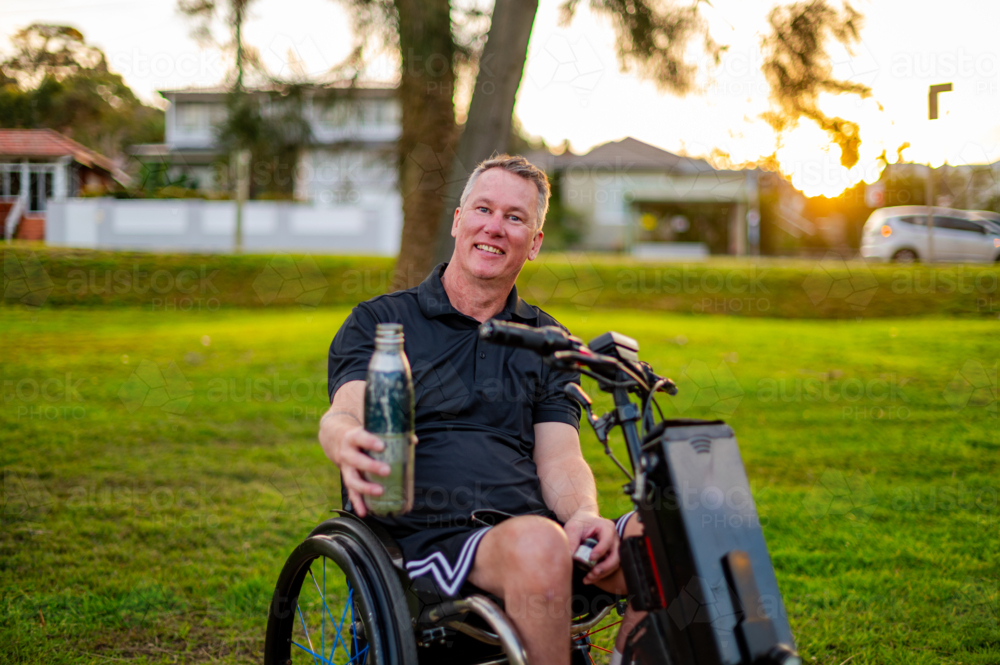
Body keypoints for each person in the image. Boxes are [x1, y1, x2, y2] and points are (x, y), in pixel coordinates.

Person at [319, 155, 643, 665]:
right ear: (458, 220)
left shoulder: (548, 341)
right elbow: (348, 409)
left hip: (536, 534)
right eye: (483, 209)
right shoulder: (383, 322)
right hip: (430, 540)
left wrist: (582, 515)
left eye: (515, 217)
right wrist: (343, 438)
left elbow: (559, 458)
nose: (494, 226)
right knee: (540, 543)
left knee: (665, 534)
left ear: (533, 243)